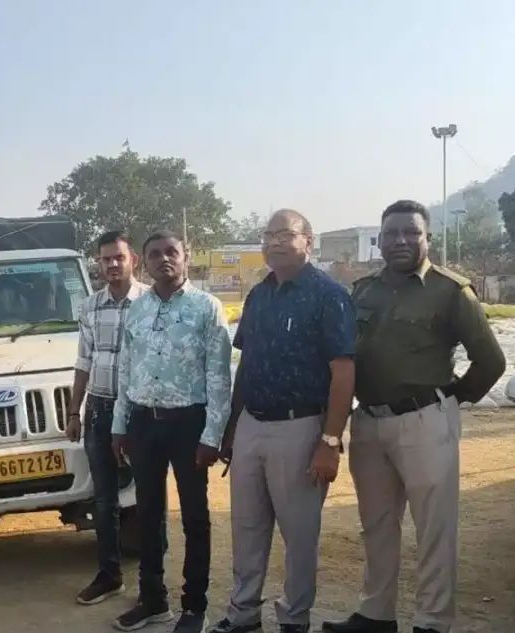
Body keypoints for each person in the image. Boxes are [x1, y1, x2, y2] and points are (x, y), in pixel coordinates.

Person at [323, 200, 506, 633]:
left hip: (425, 421)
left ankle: (432, 621)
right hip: (369, 423)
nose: (401, 241)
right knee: (376, 524)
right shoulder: (363, 291)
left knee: (433, 527)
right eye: (391, 234)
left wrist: (453, 398)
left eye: (411, 233)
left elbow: (491, 361)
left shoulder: (450, 291)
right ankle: (376, 614)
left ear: (428, 238)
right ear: (380, 241)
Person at [209, 210, 356, 633]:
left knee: (299, 533)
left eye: (285, 234)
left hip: (300, 428)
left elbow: (343, 372)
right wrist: (232, 429)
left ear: (308, 241)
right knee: (247, 528)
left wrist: (330, 441)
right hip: (252, 425)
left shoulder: (329, 296)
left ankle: (294, 619)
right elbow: (247, 364)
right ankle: (243, 615)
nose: (275, 242)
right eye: (269, 235)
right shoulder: (259, 296)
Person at [110, 230, 232, 633]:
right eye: (155, 254)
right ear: (144, 262)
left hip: (188, 424)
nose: (164, 259)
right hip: (144, 423)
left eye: (171, 252)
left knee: (194, 516)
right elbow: (126, 370)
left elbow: (219, 376)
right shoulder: (137, 310)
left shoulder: (207, 307)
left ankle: (194, 606)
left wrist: (212, 435)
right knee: (147, 513)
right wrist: (120, 426)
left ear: (186, 256)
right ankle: (152, 600)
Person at [65, 230, 149, 605]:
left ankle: (152, 584)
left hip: (141, 411)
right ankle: (109, 575)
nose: (112, 264)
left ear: (133, 260)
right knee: (103, 500)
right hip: (99, 409)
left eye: (119, 257)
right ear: (98, 263)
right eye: (106, 259)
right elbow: (84, 360)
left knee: (148, 497)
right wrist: (74, 411)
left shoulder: (151, 303)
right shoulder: (90, 306)